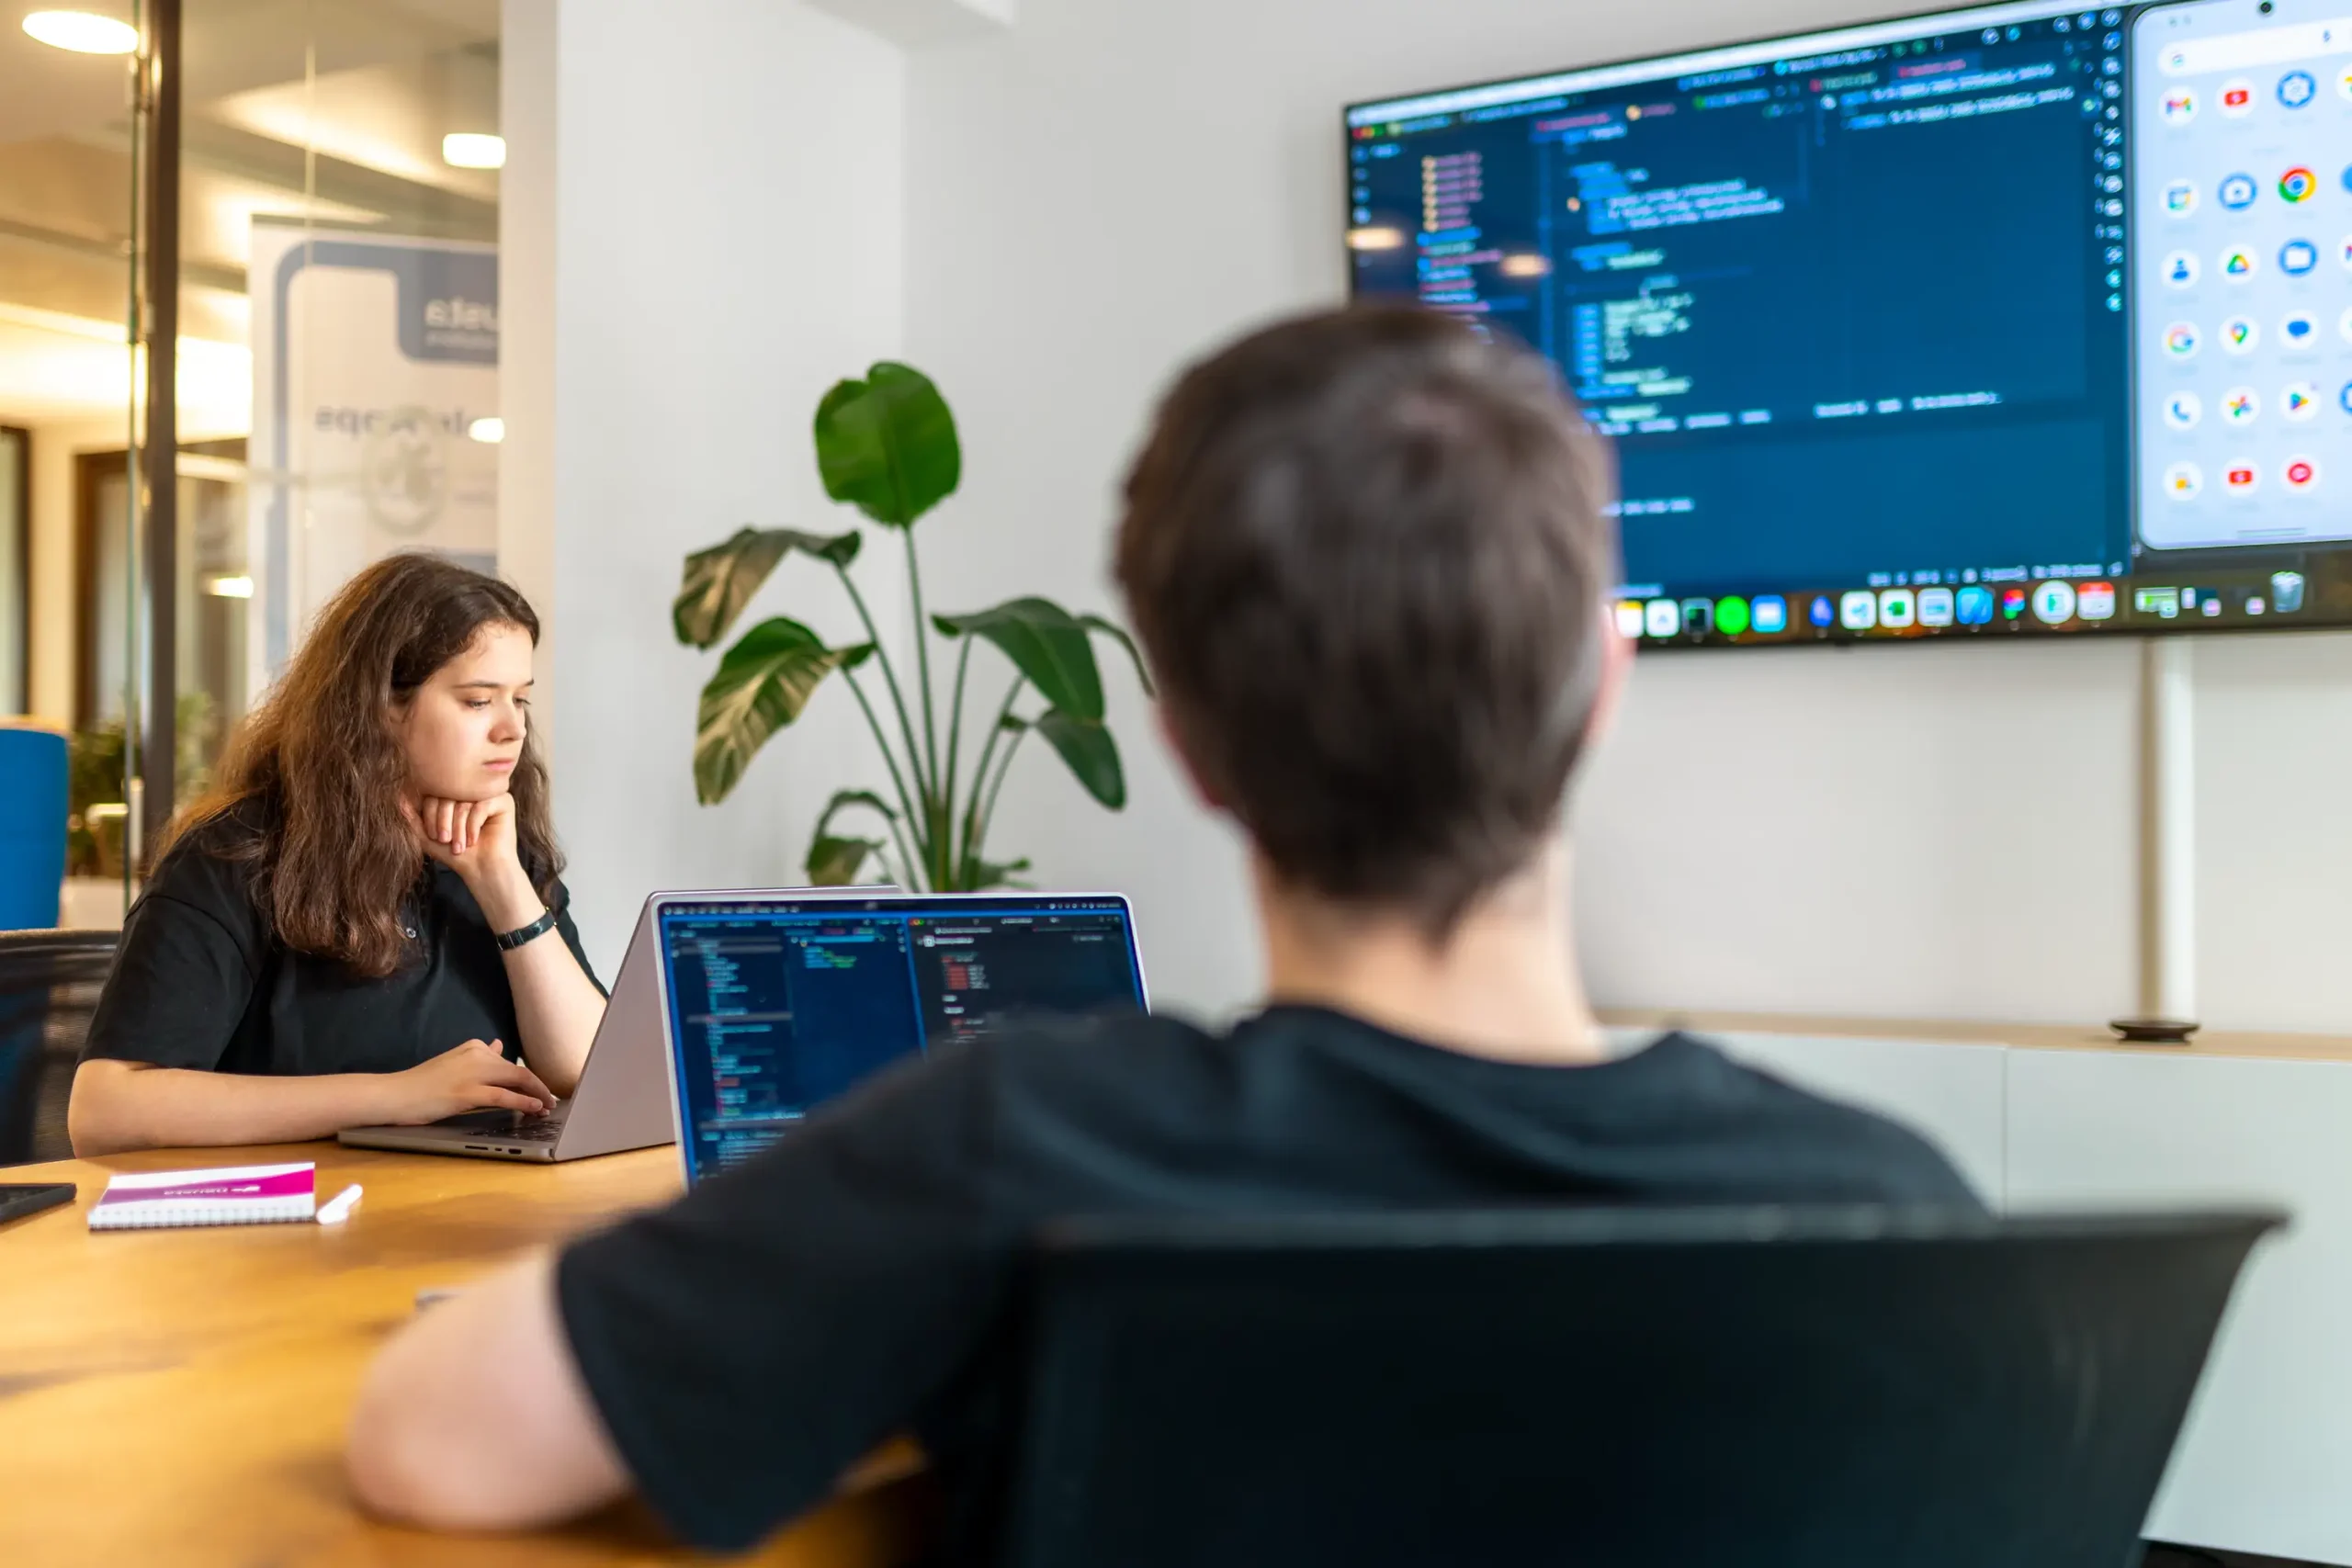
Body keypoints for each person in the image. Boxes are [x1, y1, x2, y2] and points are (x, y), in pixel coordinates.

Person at [345, 306, 1981, 1551]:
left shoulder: (1020, 1149)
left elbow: (429, 1437)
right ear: (1601, 693)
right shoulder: (1895, 1217)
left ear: (1186, 739)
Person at [68, 554, 606, 1156]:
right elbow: (104, 1109)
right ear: (382, 705)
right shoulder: (238, 854)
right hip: (279, 1232)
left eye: (520, 700)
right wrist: (396, 1096)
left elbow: (588, 1069)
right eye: (479, 700)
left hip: (455, 1219)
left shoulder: (501, 843)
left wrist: (503, 885)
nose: (512, 729)